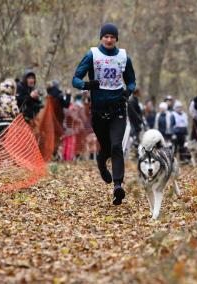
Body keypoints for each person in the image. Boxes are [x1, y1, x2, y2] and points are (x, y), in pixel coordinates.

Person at [72, 23, 136, 205]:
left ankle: (117, 186)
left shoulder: (124, 56)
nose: (109, 39)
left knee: (116, 146)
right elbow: (75, 78)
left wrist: (128, 91)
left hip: (118, 110)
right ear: (101, 38)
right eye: (106, 36)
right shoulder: (93, 54)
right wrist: (86, 85)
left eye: (112, 37)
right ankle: (101, 163)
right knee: (106, 148)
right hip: (98, 112)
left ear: (116, 39)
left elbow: (132, 81)